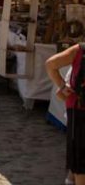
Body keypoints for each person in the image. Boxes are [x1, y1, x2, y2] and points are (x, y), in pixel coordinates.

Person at [47, 41, 85, 184]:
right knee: (80, 163)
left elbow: (50, 65)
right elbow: (50, 64)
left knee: (80, 162)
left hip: (78, 112)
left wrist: (63, 87)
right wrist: (63, 86)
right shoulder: (79, 51)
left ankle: (71, 178)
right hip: (79, 114)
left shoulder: (79, 51)